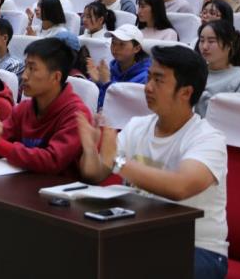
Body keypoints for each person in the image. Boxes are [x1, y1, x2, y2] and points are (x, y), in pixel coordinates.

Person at [76, 45, 228, 278]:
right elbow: (95, 173)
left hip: (196, 248)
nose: (147, 87)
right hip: (139, 235)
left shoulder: (207, 138)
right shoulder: (137, 126)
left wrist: (117, 161)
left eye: (158, 80)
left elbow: (180, 187)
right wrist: (89, 149)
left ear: (186, 92)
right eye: (148, 78)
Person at [0, 38, 92, 174]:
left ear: (56, 77)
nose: (24, 76)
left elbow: (52, 161)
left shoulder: (76, 114)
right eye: (25, 67)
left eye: (32, 69)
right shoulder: (23, 109)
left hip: (61, 186)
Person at [195, 20, 240, 117]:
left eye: (211, 41)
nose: (204, 47)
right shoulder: (194, 71)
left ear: (229, 45)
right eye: (201, 41)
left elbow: (238, 116)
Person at [87, 24, 151, 110]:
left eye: (122, 44)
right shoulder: (111, 69)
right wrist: (97, 82)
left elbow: (124, 108)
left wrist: (106, 83)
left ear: (137, 48)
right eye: (113, 43)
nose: (115, 48)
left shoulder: (145, 78)